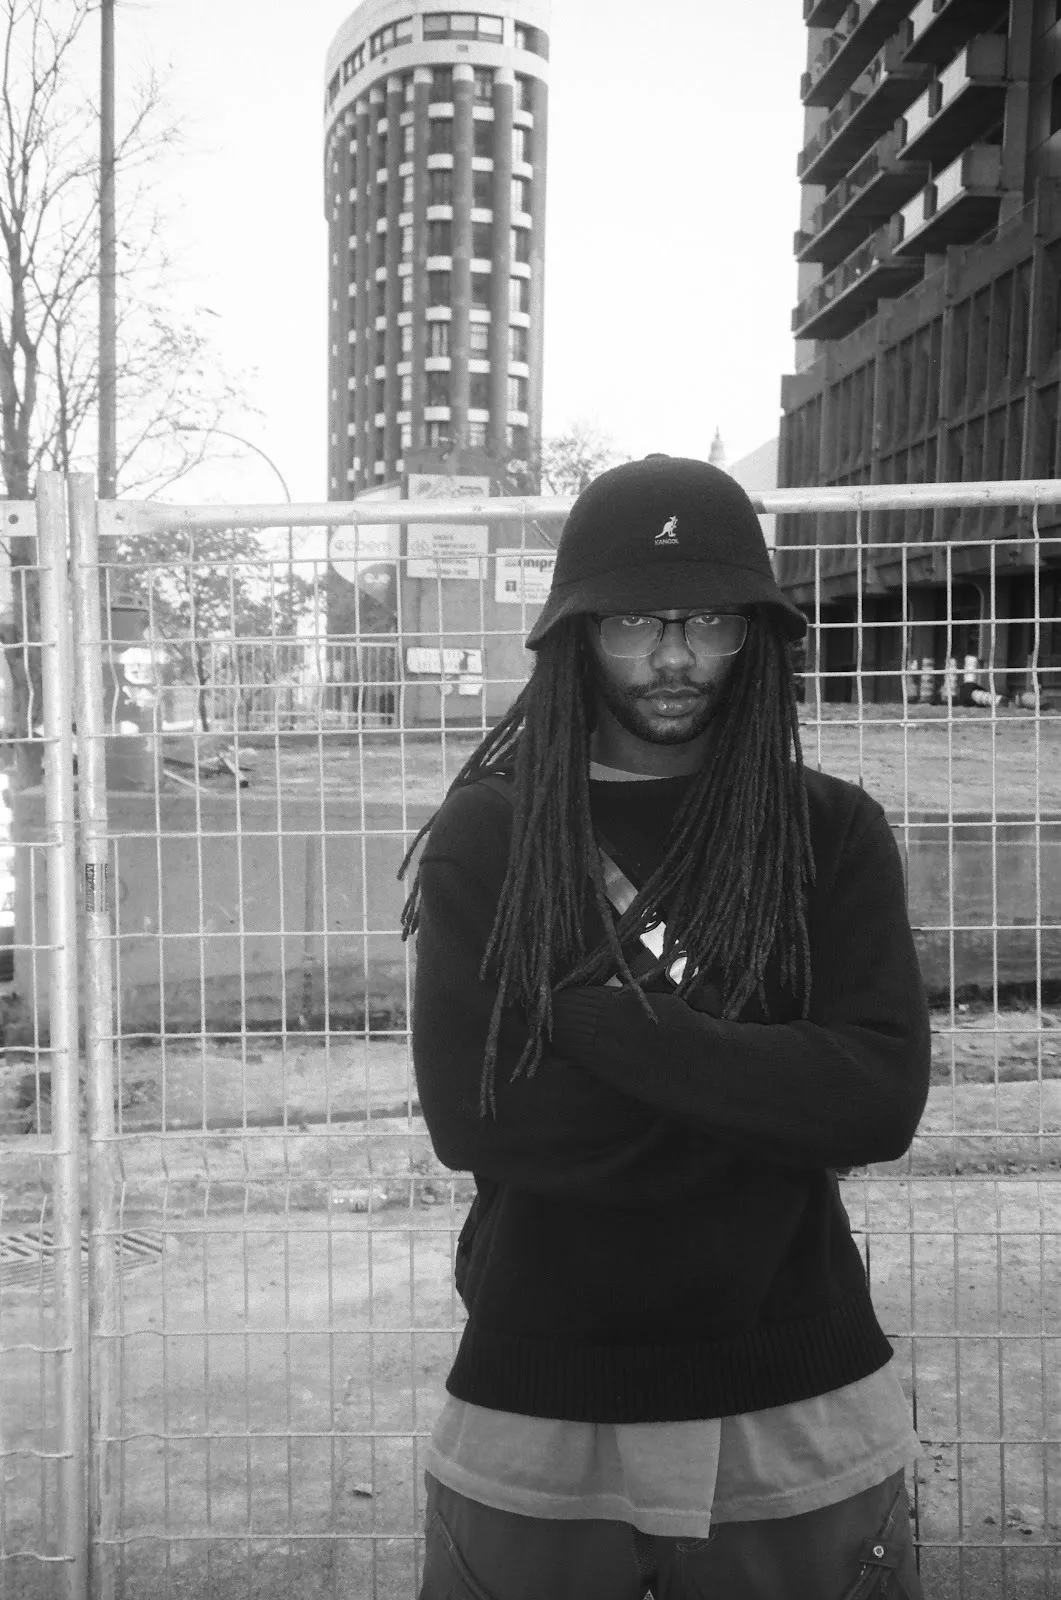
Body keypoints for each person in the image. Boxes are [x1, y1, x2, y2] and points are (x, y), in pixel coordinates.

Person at [400, 455, 930, 1600]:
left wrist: (591, 1021)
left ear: (757, 634)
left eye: (709, 621)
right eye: (635, 621)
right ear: (576, 634)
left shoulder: (829, 832)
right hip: (538, 1393)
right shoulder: (491, 839)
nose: (675, 655)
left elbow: (876, 1100)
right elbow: (477, 1114)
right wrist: (767, 1092)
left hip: (800, 1393)